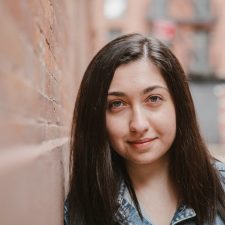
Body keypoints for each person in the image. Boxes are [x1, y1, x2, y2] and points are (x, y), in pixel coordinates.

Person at [64, 33, 225, 225]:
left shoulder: (221, 186)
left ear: (178, 105)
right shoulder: (81, 212)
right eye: (117, 104)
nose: (138, 125)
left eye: (153, 99)